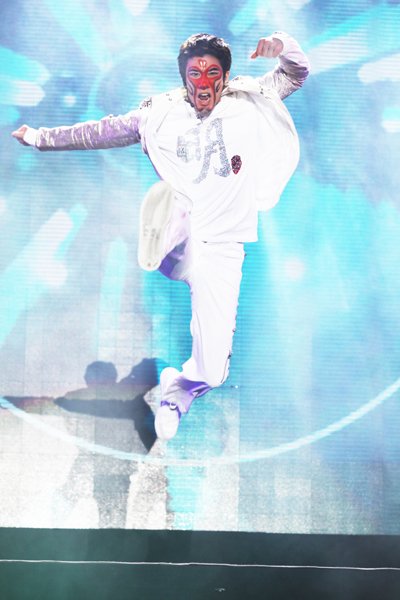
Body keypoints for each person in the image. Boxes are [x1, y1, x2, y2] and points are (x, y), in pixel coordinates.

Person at [12, 31, 310, 441]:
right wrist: (39, 138)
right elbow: (99, 132)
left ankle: (177, 392)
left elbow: (296, 73)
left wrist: (282, 44)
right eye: (194, 73)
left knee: (214, 372)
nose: (203, 82)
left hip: (225, 248)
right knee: (181, 211)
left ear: (225, 76)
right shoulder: (160, 114)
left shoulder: (249, 99)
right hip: (182, 234)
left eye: (212, 73)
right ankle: (166, 222)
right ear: (183, 77)